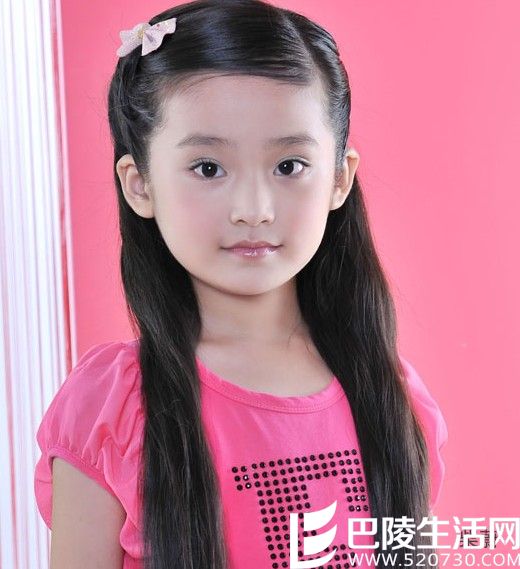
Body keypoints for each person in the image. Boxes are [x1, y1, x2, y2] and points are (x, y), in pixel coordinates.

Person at [34, 1, 448, 568]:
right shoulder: (116, 407)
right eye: (208, 168)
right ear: (140, 185)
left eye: (289, 166)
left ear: (339, 178)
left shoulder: (392, 396)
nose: (253, 209)